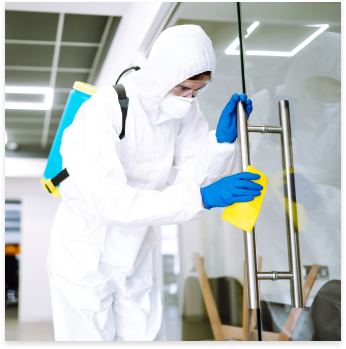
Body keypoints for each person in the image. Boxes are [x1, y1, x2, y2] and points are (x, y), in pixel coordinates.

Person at [47, 25, 262, 341]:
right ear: (163, 74)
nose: (189, 98)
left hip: (137, 250)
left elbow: (191, 180)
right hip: (85, 254)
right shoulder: (104, 110)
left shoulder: (183, 113)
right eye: (184, 88)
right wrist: (201, 198)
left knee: (147, 335)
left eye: (197, 91)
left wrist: (220, 144)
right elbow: (111, 203)